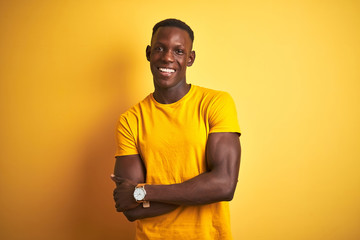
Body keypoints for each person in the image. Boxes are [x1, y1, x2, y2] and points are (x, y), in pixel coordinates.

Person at [111, 18, 241, 240]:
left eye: (179, 51)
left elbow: (224, 186)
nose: (168, 57)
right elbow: (130, 208)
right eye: (160, 48)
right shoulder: (130, 120)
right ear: (149, 53)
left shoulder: (216, 103)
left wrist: (143, 192)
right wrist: (200, 189)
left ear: (190, 59)